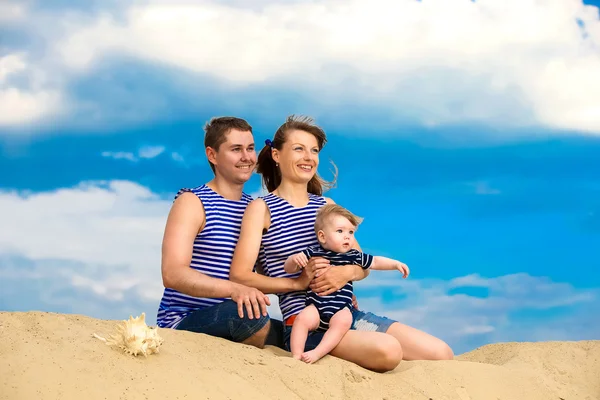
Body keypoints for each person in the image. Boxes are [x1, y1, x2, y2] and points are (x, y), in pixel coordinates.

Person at [230, 115, 454, 372]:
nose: (309, 157)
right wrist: (297, 283)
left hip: (345, 315)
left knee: (441, 353)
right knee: (389, 350)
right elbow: (240, 275)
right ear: (277, 155)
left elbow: (362, 265)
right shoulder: (261, 208)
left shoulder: (326, 206)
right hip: (304, 322)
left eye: (314, 150)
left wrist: (343, 273)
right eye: (298, 149)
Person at [156, 116, 283, 348]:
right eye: (236, 149)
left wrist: (325, 293)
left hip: (241, 315)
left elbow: (269, 272)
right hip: (187, 319)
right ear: (212, 155)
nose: (246, 157)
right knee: (247, 317)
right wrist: (234, 289)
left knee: (306, 334)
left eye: (250, 148)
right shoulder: (192, 201)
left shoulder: (256, 208)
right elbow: (172, 273)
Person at [283, 204, 410, 364]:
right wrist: (294, 260)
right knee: (302, 320)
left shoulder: (353, 256)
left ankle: (318, 352)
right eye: (340, 231)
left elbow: (375, 261)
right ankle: (296, 355)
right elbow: (288, 268)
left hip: (340, 308)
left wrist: (395, 264)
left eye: (351, 232)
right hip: (316, 305)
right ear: (322, 237)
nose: (347, 236)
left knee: (343, 323)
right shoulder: (313, 252)